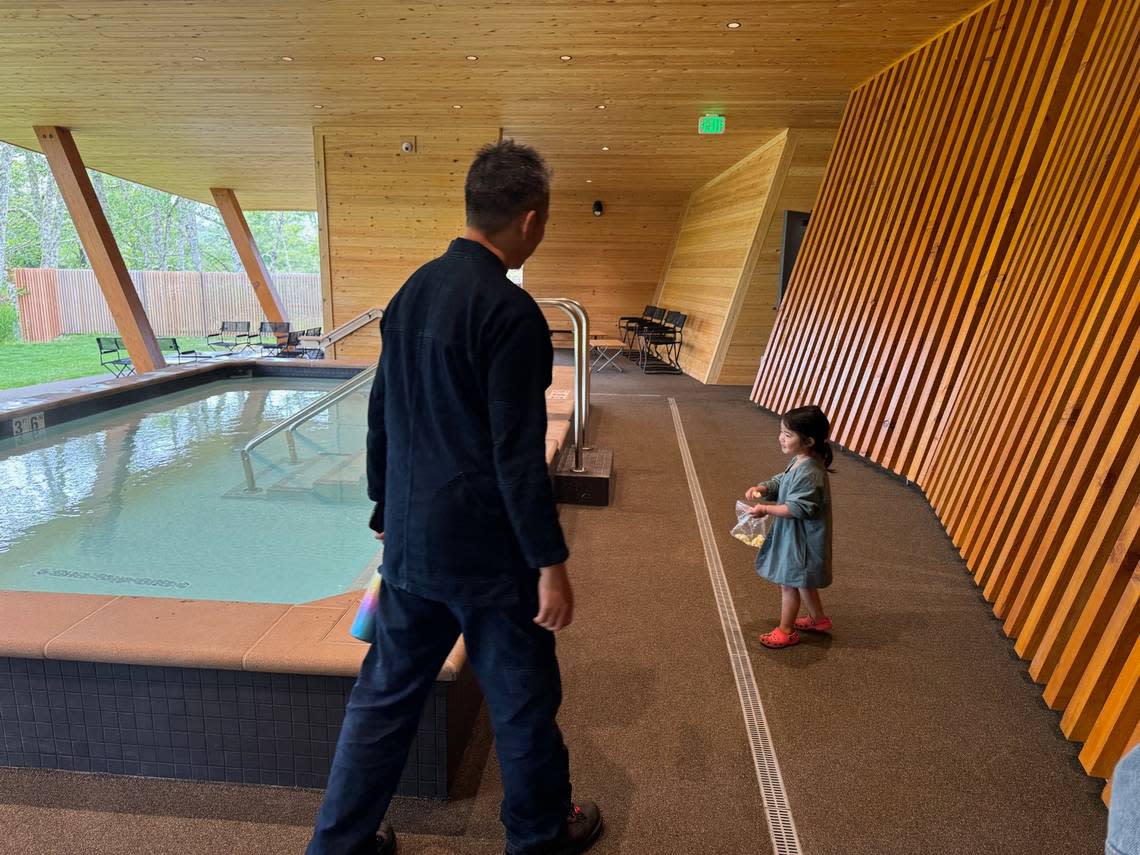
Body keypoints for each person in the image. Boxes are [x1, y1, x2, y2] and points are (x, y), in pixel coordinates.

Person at [306, 140, 602, 855]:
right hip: (489, 557)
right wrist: (549, 559)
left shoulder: (412, 292)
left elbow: (383, 413)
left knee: (382, 703)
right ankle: (537, 835)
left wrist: (385, 509)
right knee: (524, 703)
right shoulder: (512, 314)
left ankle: (336, 847)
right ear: (530, 221)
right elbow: (516, 456)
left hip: (412, 546)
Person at [744, 405, 835, 649]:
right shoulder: (802, 460)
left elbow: (797, 508)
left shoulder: (810, 472)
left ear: (808, 440)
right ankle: (819, 620)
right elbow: (782, 480)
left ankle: (786, 630)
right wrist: (764, 487)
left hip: (802, 542)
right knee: (803, 581)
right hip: (797, 537)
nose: (781, 438)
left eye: (787, 434)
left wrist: (764, 509)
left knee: (790, 582)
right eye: (781, 432)